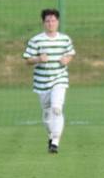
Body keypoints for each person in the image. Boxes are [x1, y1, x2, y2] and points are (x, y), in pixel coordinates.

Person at [23, 9, 75, 154]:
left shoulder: (65, 39)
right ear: (43, 23)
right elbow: (27, 60)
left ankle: (55, 142)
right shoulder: (36, 40)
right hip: (42, 83)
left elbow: (70, 54)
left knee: (57, 108)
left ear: (57, 22)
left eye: (53, 21)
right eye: (48, 21)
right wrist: (38, 59)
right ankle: (51, 136)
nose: (51, 23)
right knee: (47, 115)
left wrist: (67, 59)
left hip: (59, 79)